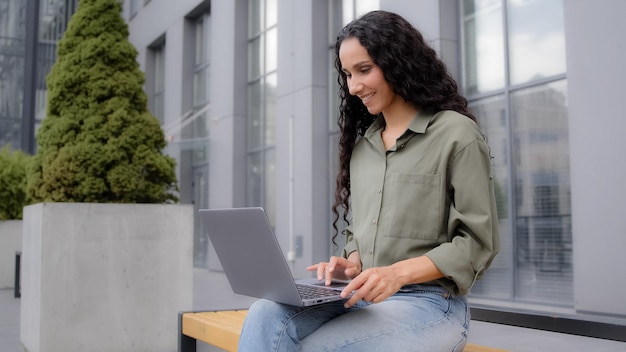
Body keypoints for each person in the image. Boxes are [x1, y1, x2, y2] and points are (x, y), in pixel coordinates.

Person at [238, 10, 499, 352]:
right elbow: (362, 231)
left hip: (431, 304)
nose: (354, 86)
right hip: (360, 295)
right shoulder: (366, 149)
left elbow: (477, 243)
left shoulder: (455, 134)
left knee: (315, 347)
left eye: (364, 70)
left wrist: (396, 273)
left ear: (397, 63)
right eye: (348, 74)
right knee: (263, 314)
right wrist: (352, 262)